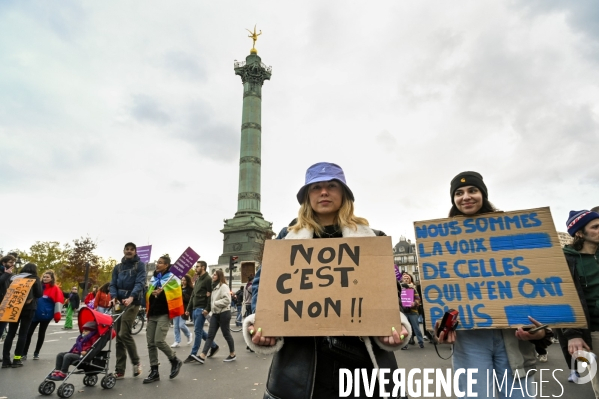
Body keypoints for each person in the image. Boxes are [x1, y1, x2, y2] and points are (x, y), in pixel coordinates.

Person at [243, 162, 411, 399]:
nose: (324, 192)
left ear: (344, 194)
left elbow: (388, 289)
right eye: (316, 187)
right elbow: (263, 284)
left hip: (361, 361)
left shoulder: (372, 238)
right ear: (306, 197)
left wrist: (392, 324)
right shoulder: (285, 239)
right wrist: (262, 322)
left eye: (332, 185)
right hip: (303, 363)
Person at [439, 171, 553, 398]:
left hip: (511, 335)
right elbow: (442, 293)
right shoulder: (442, 241)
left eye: (473, 190)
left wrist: (542, 332)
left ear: (483, 194)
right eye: (459, 193)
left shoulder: (509, 231)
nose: (466, 197)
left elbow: (535, 281)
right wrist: (441, 326)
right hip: (470, 336)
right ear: (453, 200)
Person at [561, 209, 599, 398]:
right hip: (594, 332)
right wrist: (573, 333)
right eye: (596, 227)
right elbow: (562, 299)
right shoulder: (565, 261)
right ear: (579, 233)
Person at [143, 255, 184, 383]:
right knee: (150, 344)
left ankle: (174, 360)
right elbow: (149, 292)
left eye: (160, 263)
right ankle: (154, 371)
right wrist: (152, 293)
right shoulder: (154, 277)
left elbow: (176, 293)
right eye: (157, 262)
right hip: (153, 313)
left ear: (166, 265)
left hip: (164, 314)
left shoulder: (172, 278)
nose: (157, 264)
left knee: (159, 341)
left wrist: (163, 292)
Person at [109, 242, 146, 379]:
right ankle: (120, 370)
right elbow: (112, 284)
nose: (129, 251)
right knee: (118, 338)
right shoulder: (118, 267)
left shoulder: (139, 265)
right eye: (127, 249)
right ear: (124, 251)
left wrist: (131, 297)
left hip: (132, 303)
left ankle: (136, 363)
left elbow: (140, 282)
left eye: (132, 249)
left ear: (135, 252)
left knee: (124, 333)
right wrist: (113, 297)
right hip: (118, 303)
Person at [1, 262, 43, 368]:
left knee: (11, 333)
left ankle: (6, 360)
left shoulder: (14, 278)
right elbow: (39, 294)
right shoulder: (34, 278)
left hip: (13, 308)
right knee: (23, 334)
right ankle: (17, 359)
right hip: (28, 309)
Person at [194, 269, 236, 363]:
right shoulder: (213, 287)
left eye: (215, 275)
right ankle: (202, 356)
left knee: (226, 334)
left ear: (219, 277)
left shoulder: (223, 286)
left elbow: (227, 300)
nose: (213, 276)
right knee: (210, 335)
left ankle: (232, 354)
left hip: (224, 313)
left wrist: (215, 303)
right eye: (213, 275)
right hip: (215, 314)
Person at [23, 270, 64, 360]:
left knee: (41, 333)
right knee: (29, 333)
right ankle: (24, 353)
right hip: (35, 313)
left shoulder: (55, 289)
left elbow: (58, 302)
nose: (45, 278)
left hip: (46, 315)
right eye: (44, 277)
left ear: (52, 278)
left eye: (47, 277)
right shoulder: (38, 286)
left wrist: (57, 315)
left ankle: (36, 352)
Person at [184, 260, 218, 363]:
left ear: (203, 267)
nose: (196, 268)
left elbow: (210, 295)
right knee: (200, 331)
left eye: (197, 266)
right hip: (195, 308)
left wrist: (207, 309)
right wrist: (188, 309)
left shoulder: (208, 279)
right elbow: (193, 295)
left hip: (201, 309)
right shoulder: (198, 279)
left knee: (197, 331)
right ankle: (214, 346)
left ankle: (193, 354)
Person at [399, 273, 424, 349]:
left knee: (416, 328)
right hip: (404, 312)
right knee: (405, 329)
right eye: (405, 278)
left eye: (407, 278)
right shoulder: (399, 289)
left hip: (413, 311)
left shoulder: (413, 289)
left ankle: (421, 342)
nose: (406, 280)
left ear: (410, 280)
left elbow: (418, 299)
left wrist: (414, 303)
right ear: (402, 279)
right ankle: (404, 345)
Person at [171, 274, 193, 348]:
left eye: (184, 280)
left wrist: (182, 295)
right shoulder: (178, 287)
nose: (183, 282)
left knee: (181, 325)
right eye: (182, 280)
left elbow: (189, 299)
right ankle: (177, 341)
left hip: (184, 308)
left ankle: (189, 334)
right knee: (176, 326)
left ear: (187, 281)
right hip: (176, 307)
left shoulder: (190, 289)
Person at [0, 255, 16, 343]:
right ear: (3, 263)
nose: (12, 265)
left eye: (13, 263)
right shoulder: (5, 273)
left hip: (5, 304)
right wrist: (6, 274)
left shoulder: (10, 274)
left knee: (1, 329)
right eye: (10, 262)